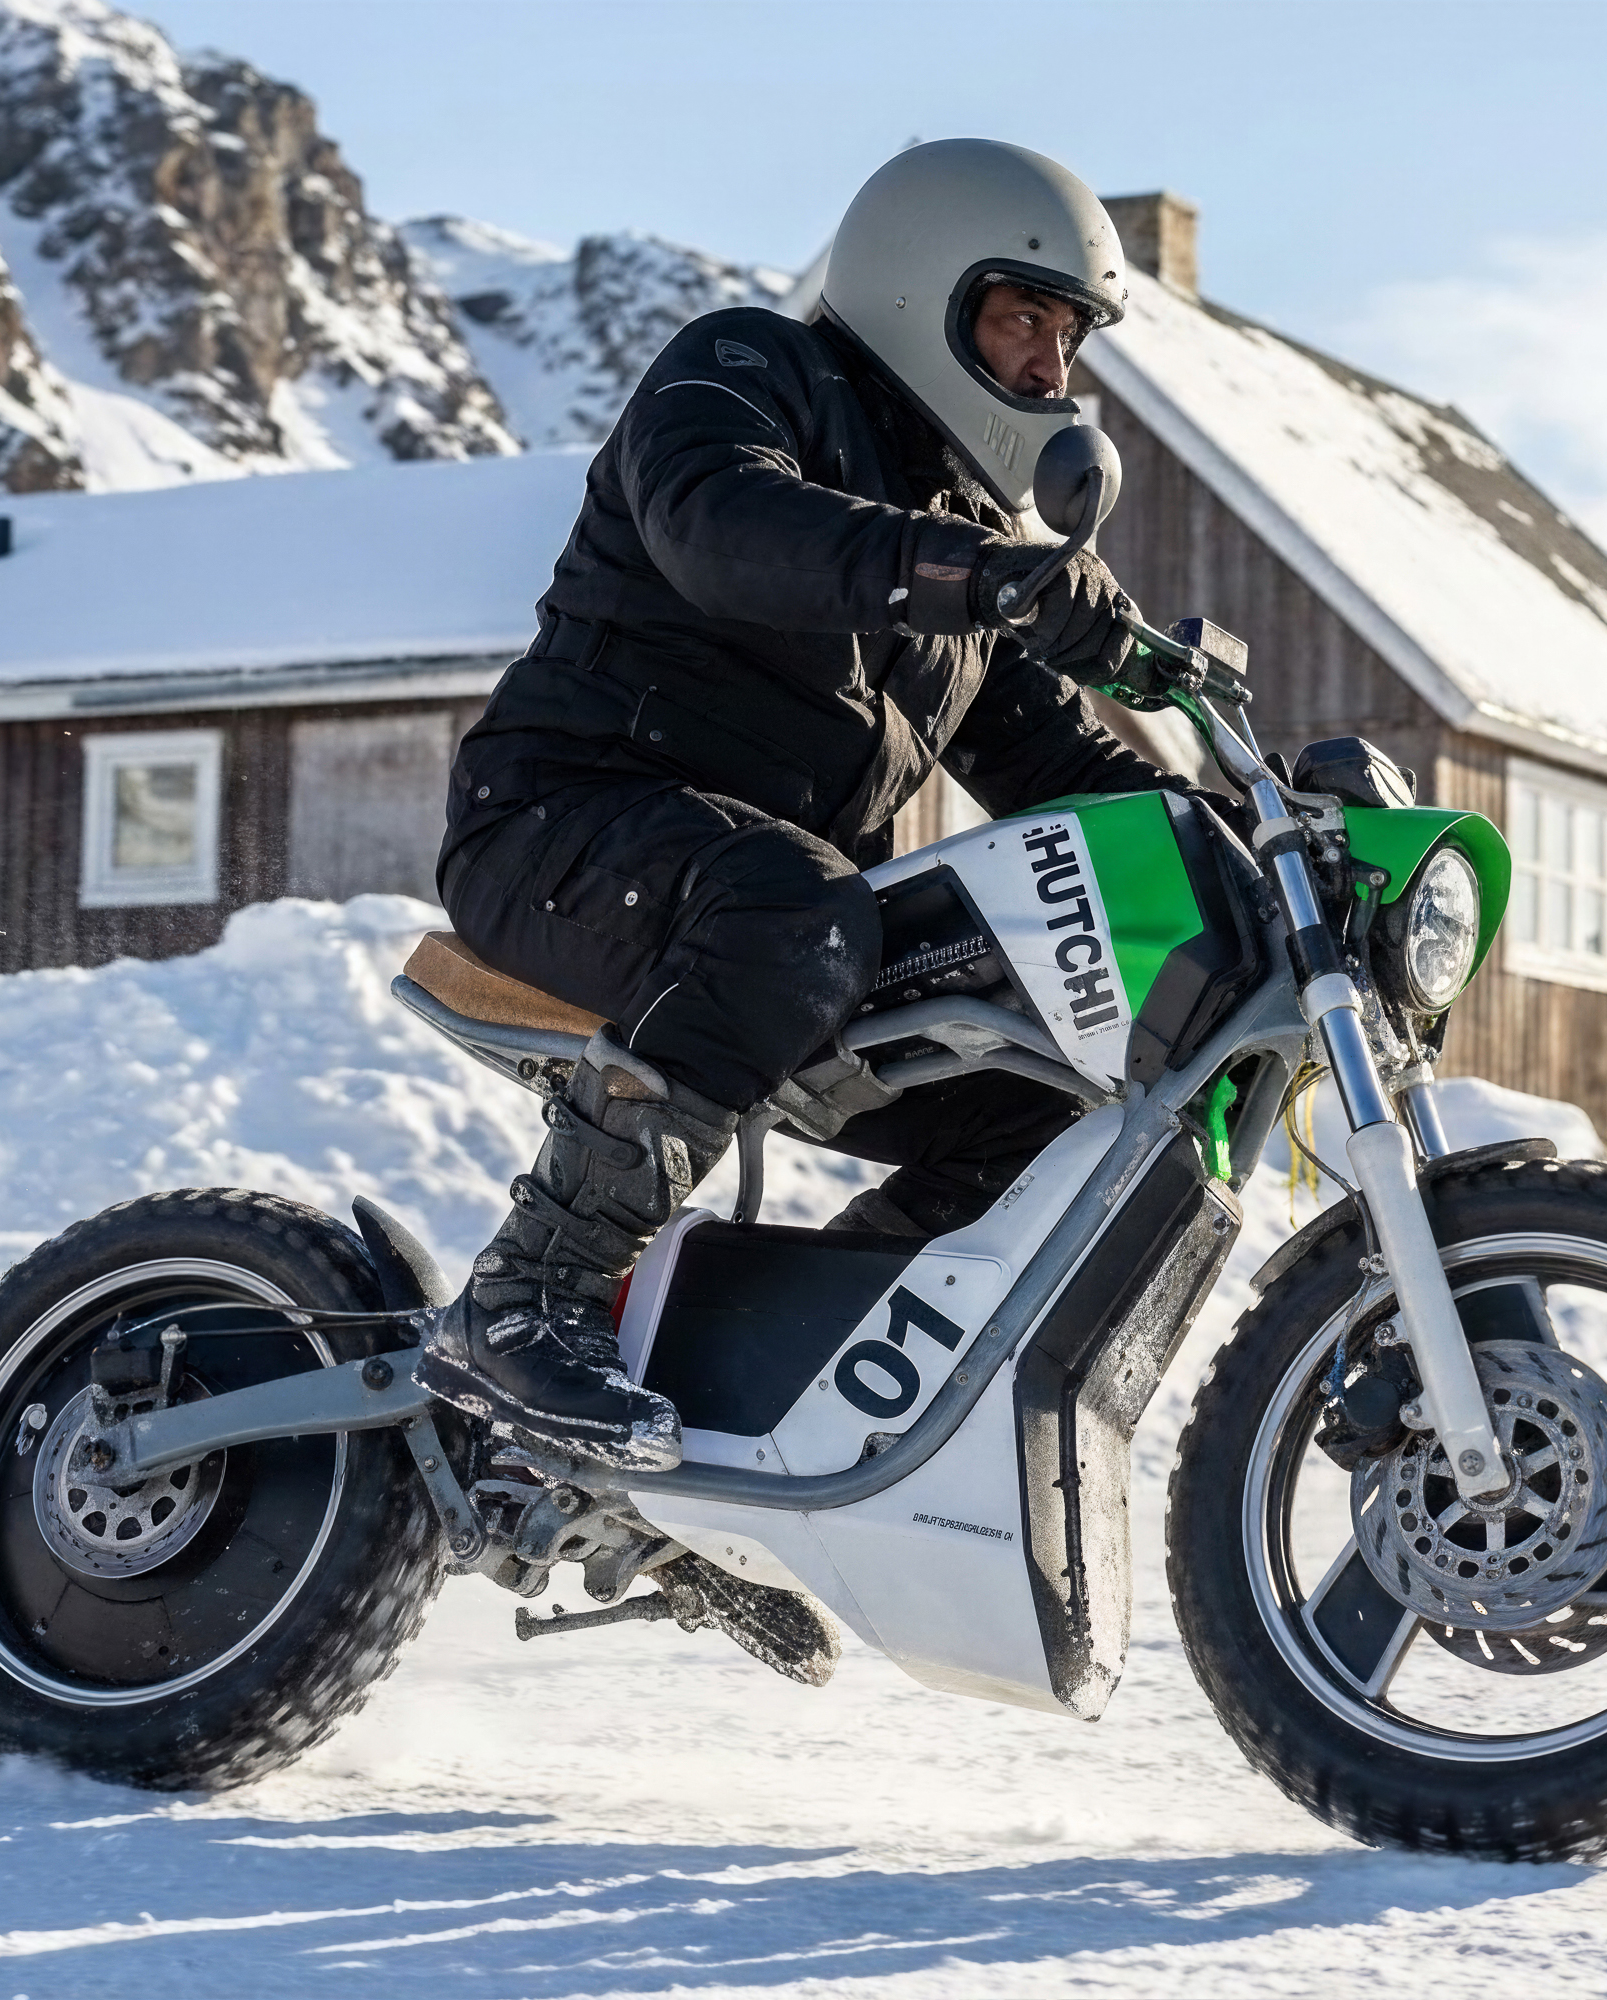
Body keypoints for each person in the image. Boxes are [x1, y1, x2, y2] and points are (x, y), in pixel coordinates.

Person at [418, 139, 1190, 1473]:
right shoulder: (747, 369)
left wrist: (1255, 832)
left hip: (769, 919)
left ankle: (801, 1402)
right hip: (561, 826)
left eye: (1071, 340)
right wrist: (982, 571)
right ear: (922, 283)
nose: (1052, 372)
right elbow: (722, 523)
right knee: (802, 908)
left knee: (1036, 1101)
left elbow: (1059, 765)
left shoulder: (959, 547)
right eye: (1025, 319)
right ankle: (525, 1300)